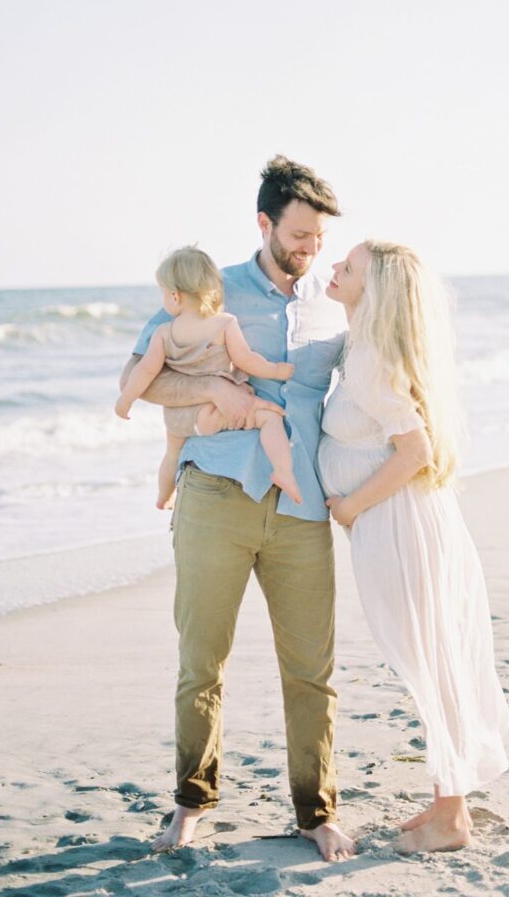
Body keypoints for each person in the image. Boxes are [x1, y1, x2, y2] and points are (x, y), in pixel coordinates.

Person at [119, 156, 355, 862]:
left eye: (320, 237)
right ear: (264, 223)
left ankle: (317, 811)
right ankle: (192, 804)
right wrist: (208, 395)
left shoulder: (334, 304)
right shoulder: (208, 291)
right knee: (202, 664)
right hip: (214, 497)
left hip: (300, 506)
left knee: (312, 670)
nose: (312, 248)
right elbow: (140, 381)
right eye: (301, 234)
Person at [318, 239, 509, 854]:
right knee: (434, 657)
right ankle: (444, 800)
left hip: (401, 527)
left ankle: (451, 817)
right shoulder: (365, 349)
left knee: (431, 662)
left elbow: (416, 451)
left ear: (372, 290)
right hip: (402, 524)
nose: (334, 269)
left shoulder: (374, 357)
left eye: (346, 268)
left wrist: (349, 505)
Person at [114, 245, 302, 507]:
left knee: (171, 454)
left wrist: (125, 400)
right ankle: (283, 472)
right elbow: (246, 359)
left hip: (179, 416)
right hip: (215, 412)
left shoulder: (164, 333)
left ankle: (164, 496)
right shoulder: (224, 323)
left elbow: (145, 371)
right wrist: (276, 370)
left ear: (175, 297)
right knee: (270, 418)